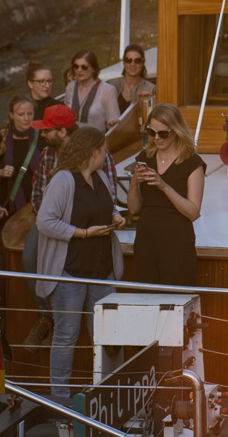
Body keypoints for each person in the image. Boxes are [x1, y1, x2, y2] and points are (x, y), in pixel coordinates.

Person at [30, 127, 123, 402]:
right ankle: (60, 397)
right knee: (67, 334)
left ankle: (106, 392)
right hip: (70, 270)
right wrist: (82, 233)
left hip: (102, 268)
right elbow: (45, 221)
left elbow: (110, 206)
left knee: (105, 334)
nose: (106, 155)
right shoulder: (62, 180)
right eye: (103, 150)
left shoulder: (102, 176)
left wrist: (116, 216)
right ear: (92, 152)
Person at [128, 104, 206, 287]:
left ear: (176, 131)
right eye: (151, 132)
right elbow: (134, 208)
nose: (157, 138)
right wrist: (133, 183)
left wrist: (164, 186)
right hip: (146, 239)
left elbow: (193, 212)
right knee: (147, 298)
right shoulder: (144, 158)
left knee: (175, 298)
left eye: (163, 133)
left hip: (176, 241)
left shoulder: (192, 163)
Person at [0, 96, 40, 213]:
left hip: (40, 202)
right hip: (10, 204)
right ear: (11, 115)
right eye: (21, 114)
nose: (26, 118)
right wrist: (1, 172)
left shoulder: (41, 137)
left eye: (30, 114)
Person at [29, 104, 79, 208]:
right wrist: (47, 218)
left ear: (62, 132)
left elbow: (108, 195)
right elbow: (37, 196)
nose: (42, 134)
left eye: (46, 130)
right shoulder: (46, 154)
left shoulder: (92, 152)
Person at [62, 50, 122, 133]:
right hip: (72, 138)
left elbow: (114, 125)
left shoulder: (108, 90)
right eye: (76, 66)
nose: (79, 70)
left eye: (84, 67)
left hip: (95, 142)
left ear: (93, 69)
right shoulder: (70, 87)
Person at [115, 45, 155, 116]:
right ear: (124, 62)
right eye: (129, 60)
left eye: (137, 61)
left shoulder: (151, 89)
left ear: (143, 63)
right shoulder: (111, 85)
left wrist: (147, 104)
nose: (133, 64)